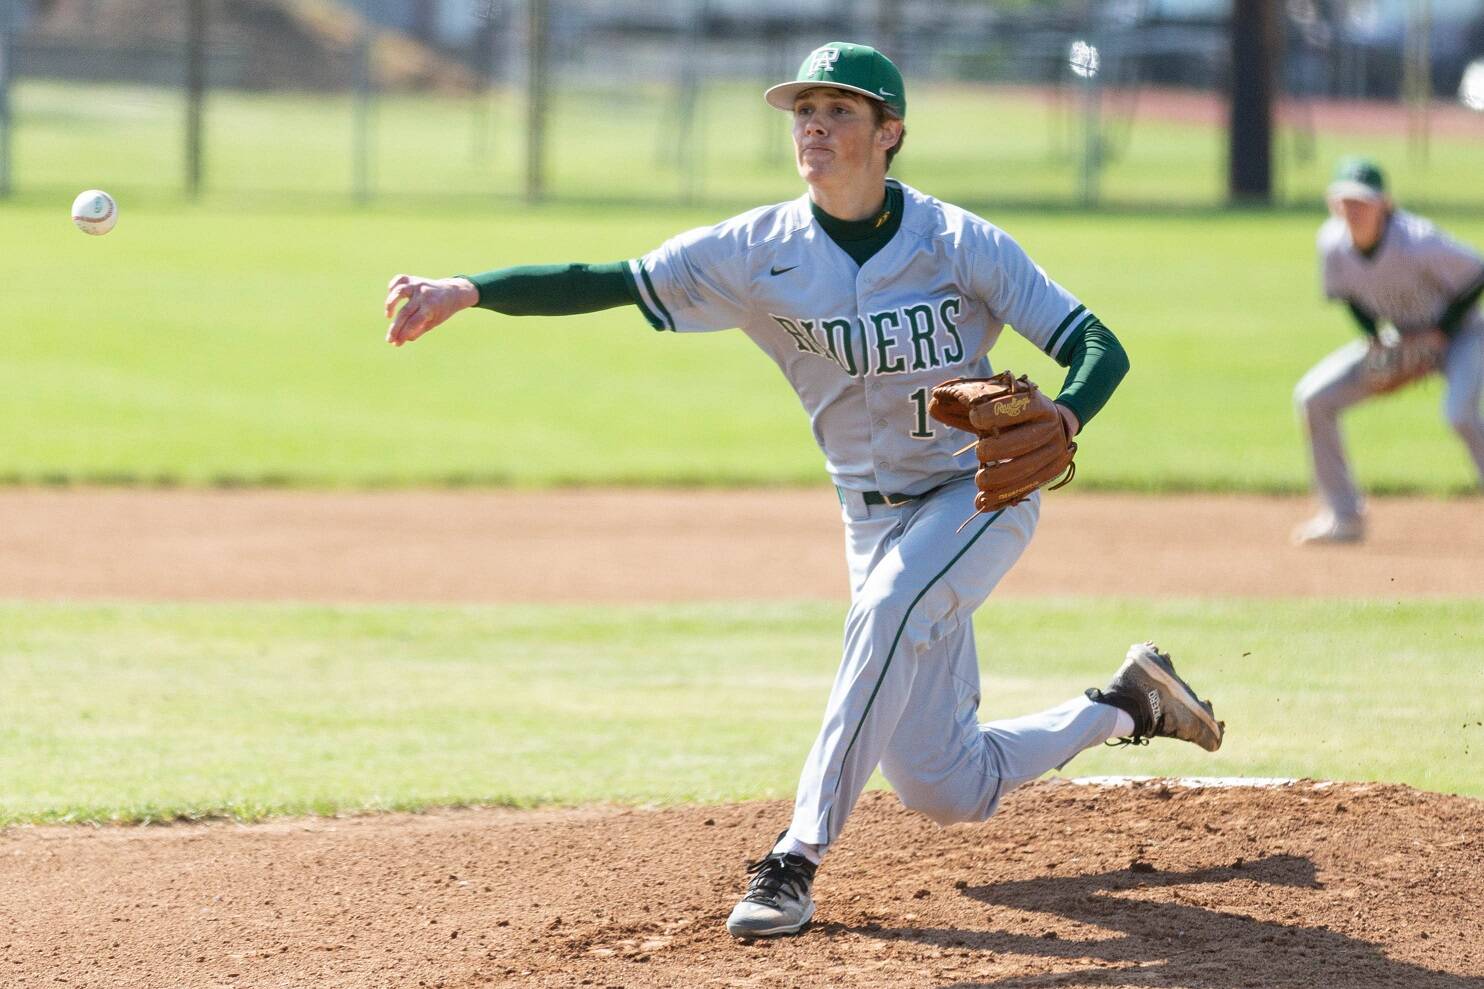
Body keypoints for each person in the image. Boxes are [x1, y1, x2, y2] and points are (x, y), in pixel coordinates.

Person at [383, 42, 1223, 939]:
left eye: (840, 110)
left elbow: (1100, 345)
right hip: (868, 520)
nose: (814, 124)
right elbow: (614, 282)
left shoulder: (958, 241)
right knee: (949, 787)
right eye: (803, 111)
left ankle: (793, 857)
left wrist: (1068, 414)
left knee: (892, 609)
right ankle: (1128, 702)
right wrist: (467, 291)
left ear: (890, 132)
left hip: (979, 497)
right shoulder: (756, 251)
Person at [1293, 157, 1484, 544]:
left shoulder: (1418, 241)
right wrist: (1376, 337)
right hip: (1400, 339)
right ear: (1333, 204)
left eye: (1363, 202)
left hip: (1463, 335)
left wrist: (1440, 333)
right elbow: (1350, 295)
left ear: (1386, 204)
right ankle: (1344, 517)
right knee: (1313, 397)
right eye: (1345, 202)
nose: (1353, 210)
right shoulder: (1331, 243)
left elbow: (1478, 271)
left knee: (1459, 414)